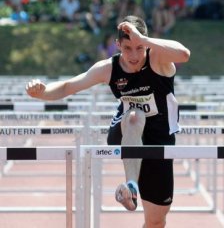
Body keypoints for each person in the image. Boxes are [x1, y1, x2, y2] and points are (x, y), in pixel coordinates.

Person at [25, 15, 191, 227]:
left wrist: (144, 40)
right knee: (134, 116)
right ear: (117, 45)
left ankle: (134, 188)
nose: (134, 55)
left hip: (159, 140)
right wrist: (42, 92)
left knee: (156, 221)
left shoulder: (158, 58)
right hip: (125, 131)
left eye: (139, 48)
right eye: (127, 48)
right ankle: (131, 185)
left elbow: (184, 54)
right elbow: (69, 86)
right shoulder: (109, 68)